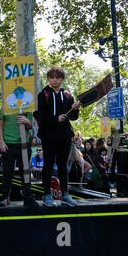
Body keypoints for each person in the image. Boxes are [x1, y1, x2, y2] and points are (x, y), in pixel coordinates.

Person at [33, 66, 80, 207]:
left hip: (65, 136)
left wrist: (75, 109)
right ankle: (46, 195)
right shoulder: (43, 95)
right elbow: (38, 114)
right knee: (47, 165)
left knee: (63, 166)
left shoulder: (67, 95)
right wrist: (55, 118)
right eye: (52, 77)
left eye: (58, 77)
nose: (55, 80)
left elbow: (73, 117)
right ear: (48, 79)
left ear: (62, 79)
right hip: (48, 136)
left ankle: (65, 194)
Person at [0, 108, 39, 208]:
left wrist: (26, 120)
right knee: (7, 172)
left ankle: (27, 197)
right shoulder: (5, 105)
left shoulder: (26, 105)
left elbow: (30, 125)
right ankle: (5, 196)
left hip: (24, 143)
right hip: (8, 143)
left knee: (25, 172)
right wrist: (1, 142)